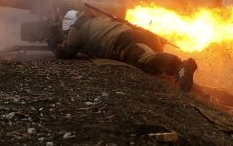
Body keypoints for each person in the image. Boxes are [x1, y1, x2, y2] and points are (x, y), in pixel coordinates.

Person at [54, 9, 197, 92]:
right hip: (135, 35)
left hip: (124, 41)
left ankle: (181, 65)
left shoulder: (77, 26)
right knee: (153, 66)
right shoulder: (99, 19)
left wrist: (58, 48)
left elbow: (67, 50)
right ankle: (183, 79)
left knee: (146, 58)